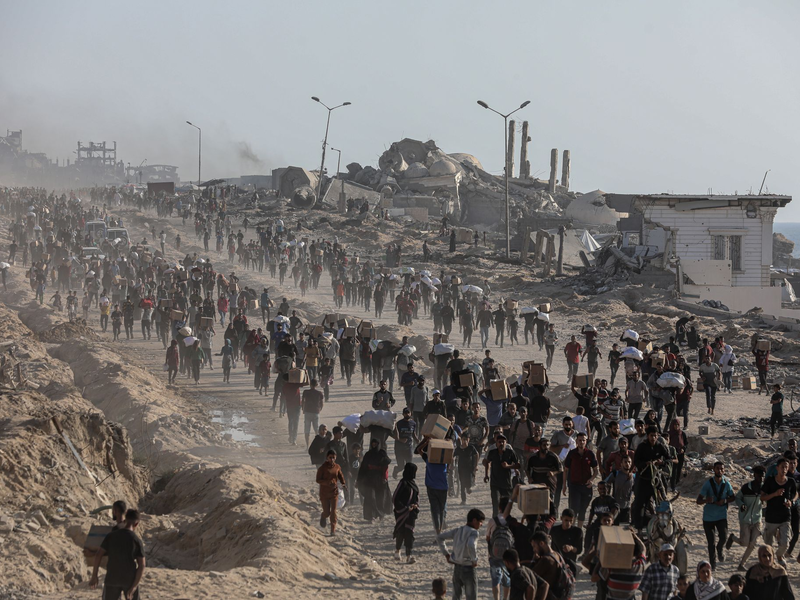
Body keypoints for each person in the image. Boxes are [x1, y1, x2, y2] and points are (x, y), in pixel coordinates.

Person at [89, 509, 146, 600]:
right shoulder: (136, 540)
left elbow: (98, 555)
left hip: (112, 578)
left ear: (125, 520)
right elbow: (142, 565)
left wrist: (94, 575)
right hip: (129, 579)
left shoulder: (111, 536)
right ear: (136, 524)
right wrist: (134, 586)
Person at [436, 508, 486, 600]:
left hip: (457, 568)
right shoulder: (474, 532)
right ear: (474, 520)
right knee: (471, 596)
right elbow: (471, 545)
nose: (481, 524)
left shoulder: (458, 530)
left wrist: (446, 554)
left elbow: (439, 537)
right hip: (469, 568)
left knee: (456, 596)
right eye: (480, 522)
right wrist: (474, 560)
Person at [697, 461, 735, 569]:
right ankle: (712, 565)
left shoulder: (726, 484)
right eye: (717, 468)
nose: (720, 471)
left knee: (723, 537)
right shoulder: (708, 484)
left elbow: (733, 497)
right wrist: (706, 500)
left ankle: (720, 549)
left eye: (722, 469)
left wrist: (725, 501)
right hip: (708, 517)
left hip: (721, 516)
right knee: (711, 542)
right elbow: (698, 500)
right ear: (713, 469)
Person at [726, 465, 765, 572]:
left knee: (753, 544)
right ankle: (733, 538)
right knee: (744, 543)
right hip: (745, 518)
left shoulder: (764, 488)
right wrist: (742, 504)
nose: (760, 478)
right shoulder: (746, 487)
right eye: (759, 476)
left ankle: (742, 564)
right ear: (754, 475)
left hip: (757, 519)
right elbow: (738, 497)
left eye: (762, 476)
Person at [761, 457, 797, 566]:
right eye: (782, 467)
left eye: (786, 467)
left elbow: (796, 494)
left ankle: (779, 556)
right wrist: (774, 494)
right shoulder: (770, 481)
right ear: (777, 468)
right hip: (771, 518)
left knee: (785, 543)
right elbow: (762, 497)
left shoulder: (791, 481)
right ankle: (771, 561)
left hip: (785, 517)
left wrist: (791, 502)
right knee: (768, 545)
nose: (784, 469)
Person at [563, 431, 598, 528]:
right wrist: (564, 485)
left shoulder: (590, 454)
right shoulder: (572, 453)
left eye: (583, 440)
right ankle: (572, 528)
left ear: (586, 441)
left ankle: (578, 530)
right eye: (580, 440)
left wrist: (591, 479)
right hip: (574, 485)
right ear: (576, 441)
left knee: (583, 509)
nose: (581, 442)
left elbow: (595, 471)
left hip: (586, 486)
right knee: (574, 509)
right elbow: (566, 470)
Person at [416, 437, 450, 533]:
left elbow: (419, 450)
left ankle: (438, 531)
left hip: (431, 487)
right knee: (442, 509)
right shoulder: (444, 460)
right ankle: (440, 527)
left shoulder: (429, 459)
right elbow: (451, 455)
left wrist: (426, 442)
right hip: (443, 487)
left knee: (435, 510)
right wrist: (446, 444)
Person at [484, 434, 520, 517]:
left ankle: (505, 521)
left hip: (506, 483)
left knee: (506, 505)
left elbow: (518, 465)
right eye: (499, 442)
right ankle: (495, 520)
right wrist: (486, 475)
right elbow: (487, 462)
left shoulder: (510, 452)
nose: (501, 443)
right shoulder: (492, 452)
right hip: (495, 482)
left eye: (503, 442)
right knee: (496, 503)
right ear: (496, 443)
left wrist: (509, 466)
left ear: (506, 443)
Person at [357, 439, 392, 523]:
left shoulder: (382, 453)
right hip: (369, 479)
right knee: (370, 497)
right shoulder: (368, 454)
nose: (374, 445)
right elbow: (363, 468)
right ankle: (370, 516)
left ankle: (381, 514)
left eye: (376, 443)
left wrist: (385, 477)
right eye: (373, 443)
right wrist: (359, 480)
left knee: (381, 497)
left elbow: (385, 466)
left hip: (380, 479)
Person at [392, 462, 420, 564]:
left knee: (409, 533)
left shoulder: (414, 484)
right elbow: (395, 498)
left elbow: (416, 497)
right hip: (401, 513)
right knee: (401, 532)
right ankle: (397, 551)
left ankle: (409, 556)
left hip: (411, 513)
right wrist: (404, 508)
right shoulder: (402, 483)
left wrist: (415, 505)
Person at [316, 449, 346, 536]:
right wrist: (327, 483)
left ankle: (333, 530)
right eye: (330, 457)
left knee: (333, 512)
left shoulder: (337, 467)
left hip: (334, 492)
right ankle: (323, 516)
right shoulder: (322, 468)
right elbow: (318, 480)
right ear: (327, 458)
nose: (332, 459)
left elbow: (340, 475)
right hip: (324, 493)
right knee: (327, 512)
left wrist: (343, 483)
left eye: (333, 457)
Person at [301, 379, 325, 448]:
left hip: (307, 412)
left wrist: (303, 409)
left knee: (307, 430)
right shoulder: (319, 393)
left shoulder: (306, 392)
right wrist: (319, 410)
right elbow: (321, 404)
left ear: (310, 384)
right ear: (317, 385)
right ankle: (318, 445)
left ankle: (307, 446)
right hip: (315, 412)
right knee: (317, 430)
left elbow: (303, 401)